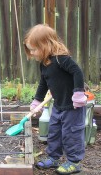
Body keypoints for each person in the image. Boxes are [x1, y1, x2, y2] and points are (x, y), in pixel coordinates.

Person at [24, 24, 87, 174]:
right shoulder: (44, 64)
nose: (31, 53)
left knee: (71, 134)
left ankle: (74, 162)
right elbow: (43, 83)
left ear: (46, 45)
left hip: (73, 107)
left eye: (34, 49)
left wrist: (78, 93)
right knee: (54, 132)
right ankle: (54, 158)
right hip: (58, 106)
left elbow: (77, 72)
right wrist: (37, 101)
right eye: (30, 50)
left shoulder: (61, 59)